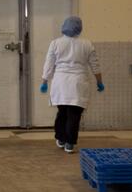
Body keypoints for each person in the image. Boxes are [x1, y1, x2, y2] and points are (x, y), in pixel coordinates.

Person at [40, 16, 104, 154]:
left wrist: (44, 81)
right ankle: (69, 143)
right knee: (74, 115)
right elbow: (95, 65)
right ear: (79, 28)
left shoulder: (55, 43)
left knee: (62, 112)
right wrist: (99, 82)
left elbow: (49, 64)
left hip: (61, 83)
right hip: (78, 83)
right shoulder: (87, 44)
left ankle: (61, 138)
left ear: (64, 27)